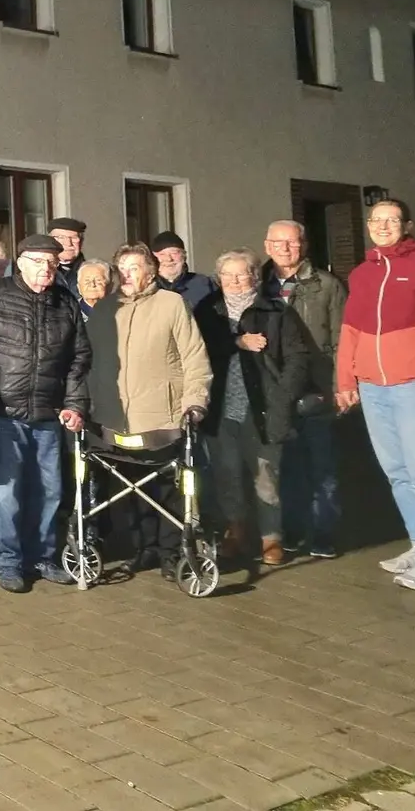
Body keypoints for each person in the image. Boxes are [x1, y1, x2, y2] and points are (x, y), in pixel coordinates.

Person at [336, 199, 415, 590]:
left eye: (391, 220)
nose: (383, 226)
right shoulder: (361, 273)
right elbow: (350, 331)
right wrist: (346, 381)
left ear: (405, 225)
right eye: (376, 220)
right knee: (398, 473)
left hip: (414, 385)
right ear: (368, 225)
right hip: (373, 387)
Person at [86, 244, 212, 576]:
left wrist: (195, 401)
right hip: (114, 417)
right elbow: (88, 362)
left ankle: (172, 552)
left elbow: (194, 358)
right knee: (128, 488)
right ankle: (144, 549)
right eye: (122, 267)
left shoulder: (171, 304)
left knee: (169, 487)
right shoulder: (104, 310)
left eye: (134, 267)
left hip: (163, 415)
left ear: (151, 271)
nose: (126, 273)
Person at [0, 234, 90, 593]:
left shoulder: (65, 304)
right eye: (39, 262)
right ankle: (8, 562)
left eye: (52, 264)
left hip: (48, 414)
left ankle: (42, 556)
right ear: (20, 263)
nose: (47, 269)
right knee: (7, 494)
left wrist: (74, 403)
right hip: (5, 414)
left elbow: (78, 358)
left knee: (50, 491)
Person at [196, 250, 308, 565]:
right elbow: (197, 350)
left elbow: (297, 357)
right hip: (219, 408)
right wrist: (237, 342)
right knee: (226, 475)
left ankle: (271, 538)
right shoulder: (207, 310)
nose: (234, 281)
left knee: (266, 478)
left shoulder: (274, 310)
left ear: (254, 276)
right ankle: (236, 531)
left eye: (241, 274)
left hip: (263, 409)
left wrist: (283, 396)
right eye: (227, 275)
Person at [262, 219, 347, 557]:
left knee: (322, 467)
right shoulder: (259, 286)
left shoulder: (326, 285)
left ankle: (324, 532)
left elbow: (343, 338)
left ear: (304, 245)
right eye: (278, 243)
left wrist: (342, 385)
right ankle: (295, 529)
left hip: (316, 386)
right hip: (277, 388)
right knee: (288, 466)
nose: (285, 248)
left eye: (292, 242)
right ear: (267, 246)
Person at [152, 230, 220, 310]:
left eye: (174, 253)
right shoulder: (147, 287)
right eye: (162, 254)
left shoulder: (203, 284)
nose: (169, 259)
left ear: (184, 256)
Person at [48, 217, 87, 297]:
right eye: (61, 237)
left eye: (73, 238)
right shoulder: (42, 271)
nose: (68, 243)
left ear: (81, 241)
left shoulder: (90, 271)